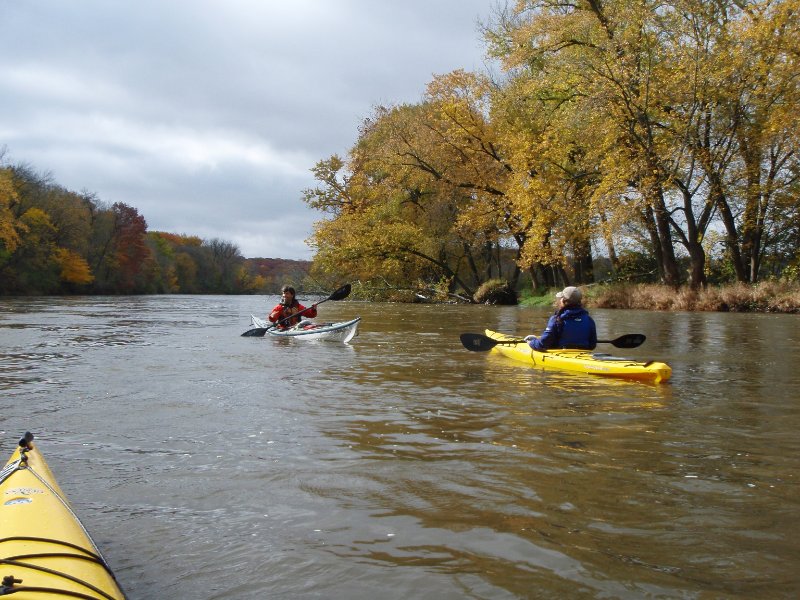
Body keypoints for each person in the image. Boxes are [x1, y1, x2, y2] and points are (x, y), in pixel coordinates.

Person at [524, 286, 597, 350]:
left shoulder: (556, 319)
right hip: (583, 353)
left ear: (563, 301)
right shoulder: (589, 320)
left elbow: (543, 344)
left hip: (561, 352)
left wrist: (532, 342)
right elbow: (592, 345)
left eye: (561, 298)